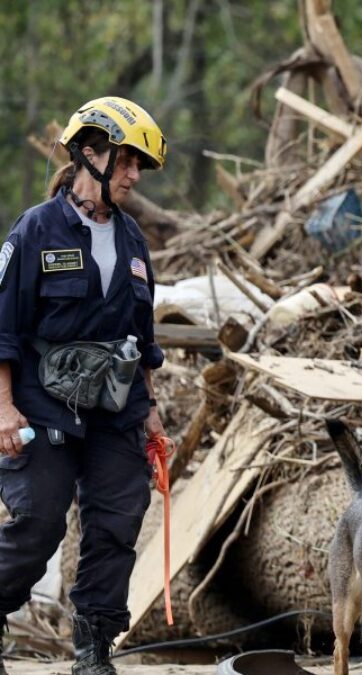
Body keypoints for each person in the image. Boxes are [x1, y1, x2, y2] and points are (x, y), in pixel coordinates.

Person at [0, 97, 168, 675]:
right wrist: (3, 409)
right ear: (89, 155)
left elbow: (142, 342)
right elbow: (3, 329)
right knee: (39, 521)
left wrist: (149, 412)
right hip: (42, 404)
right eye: (126, 162)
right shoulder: (35, 230)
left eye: (139, 166)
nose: (133, 176)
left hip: (116, 412)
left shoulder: (134, 243)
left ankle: (94, 650)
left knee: (117, 522)